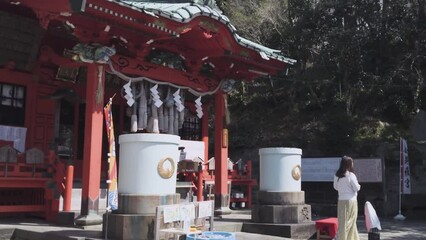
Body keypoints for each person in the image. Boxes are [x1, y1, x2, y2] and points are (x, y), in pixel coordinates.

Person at [333, 156, 361, 240]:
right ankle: (340, 237)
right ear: (348, 164)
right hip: (351, 200)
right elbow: (357, 188)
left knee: (342, 221)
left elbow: (335, 187)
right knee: (350, 221)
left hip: (341, 200)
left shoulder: (337, 175)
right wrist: (359, 186)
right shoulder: (351, 175)